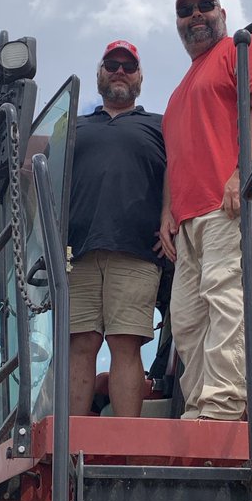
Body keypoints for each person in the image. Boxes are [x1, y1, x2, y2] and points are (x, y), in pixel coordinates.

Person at [159, 0, 252, 421]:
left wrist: (244, 171)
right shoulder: (179, 92)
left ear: (222, 12)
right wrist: (166, 214)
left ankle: (223, 409)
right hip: (191, 220)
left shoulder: (242, 48)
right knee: (187, 321)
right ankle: (199, 411)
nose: (195, 15)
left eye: (204, 6)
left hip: (230, 206)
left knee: (228, 302)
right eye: (185, 10)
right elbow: (177, 156)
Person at [68, 41, 166, 417]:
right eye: (112, 64)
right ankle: (72, 440)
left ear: (139, 77)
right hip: (77, 253)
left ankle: (128, 442)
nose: (120, 71)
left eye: (128, 65)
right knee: (81, 343)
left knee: (126, 343)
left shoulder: (159, 125)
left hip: (137, 250)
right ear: (100, 74)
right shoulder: (73, 127)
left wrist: (169, 217)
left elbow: (177, 173)